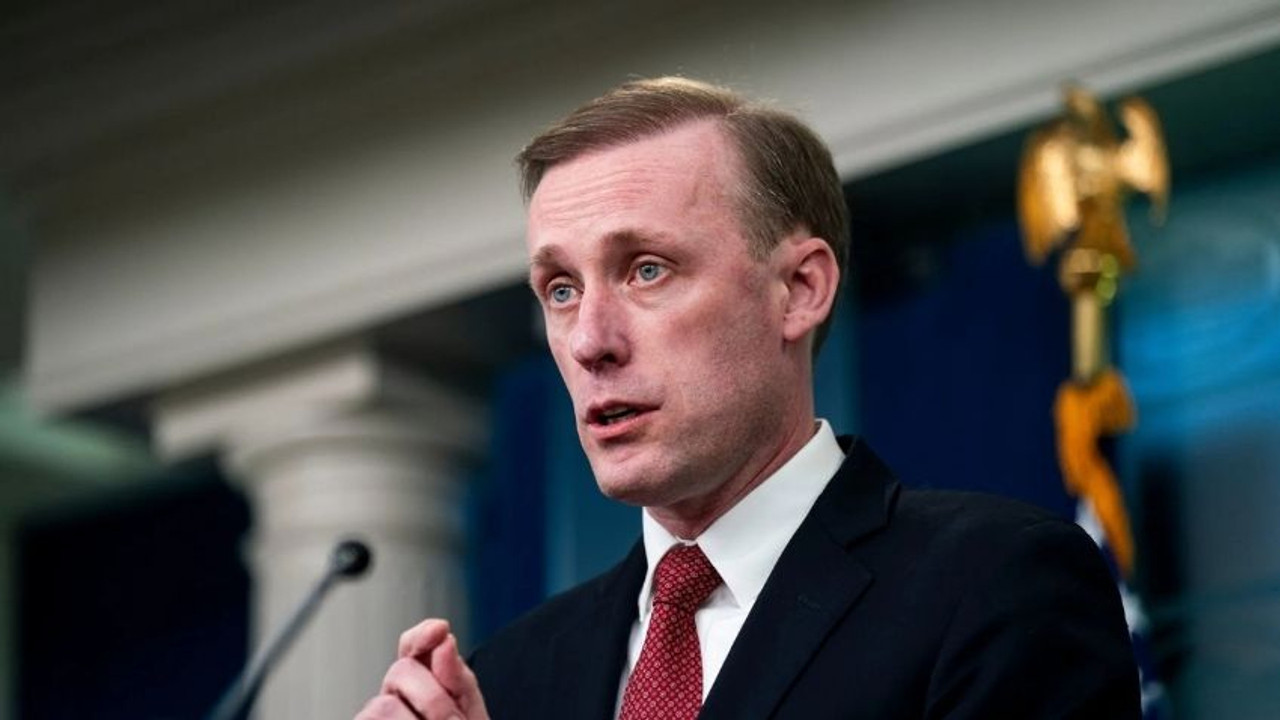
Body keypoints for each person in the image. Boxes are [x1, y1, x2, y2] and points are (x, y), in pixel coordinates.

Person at [356, 77, 1140, 720]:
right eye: (561, 289)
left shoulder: (993, 583)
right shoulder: (509, 679)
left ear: (799, 289)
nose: (590, 340)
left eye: (647, 269)